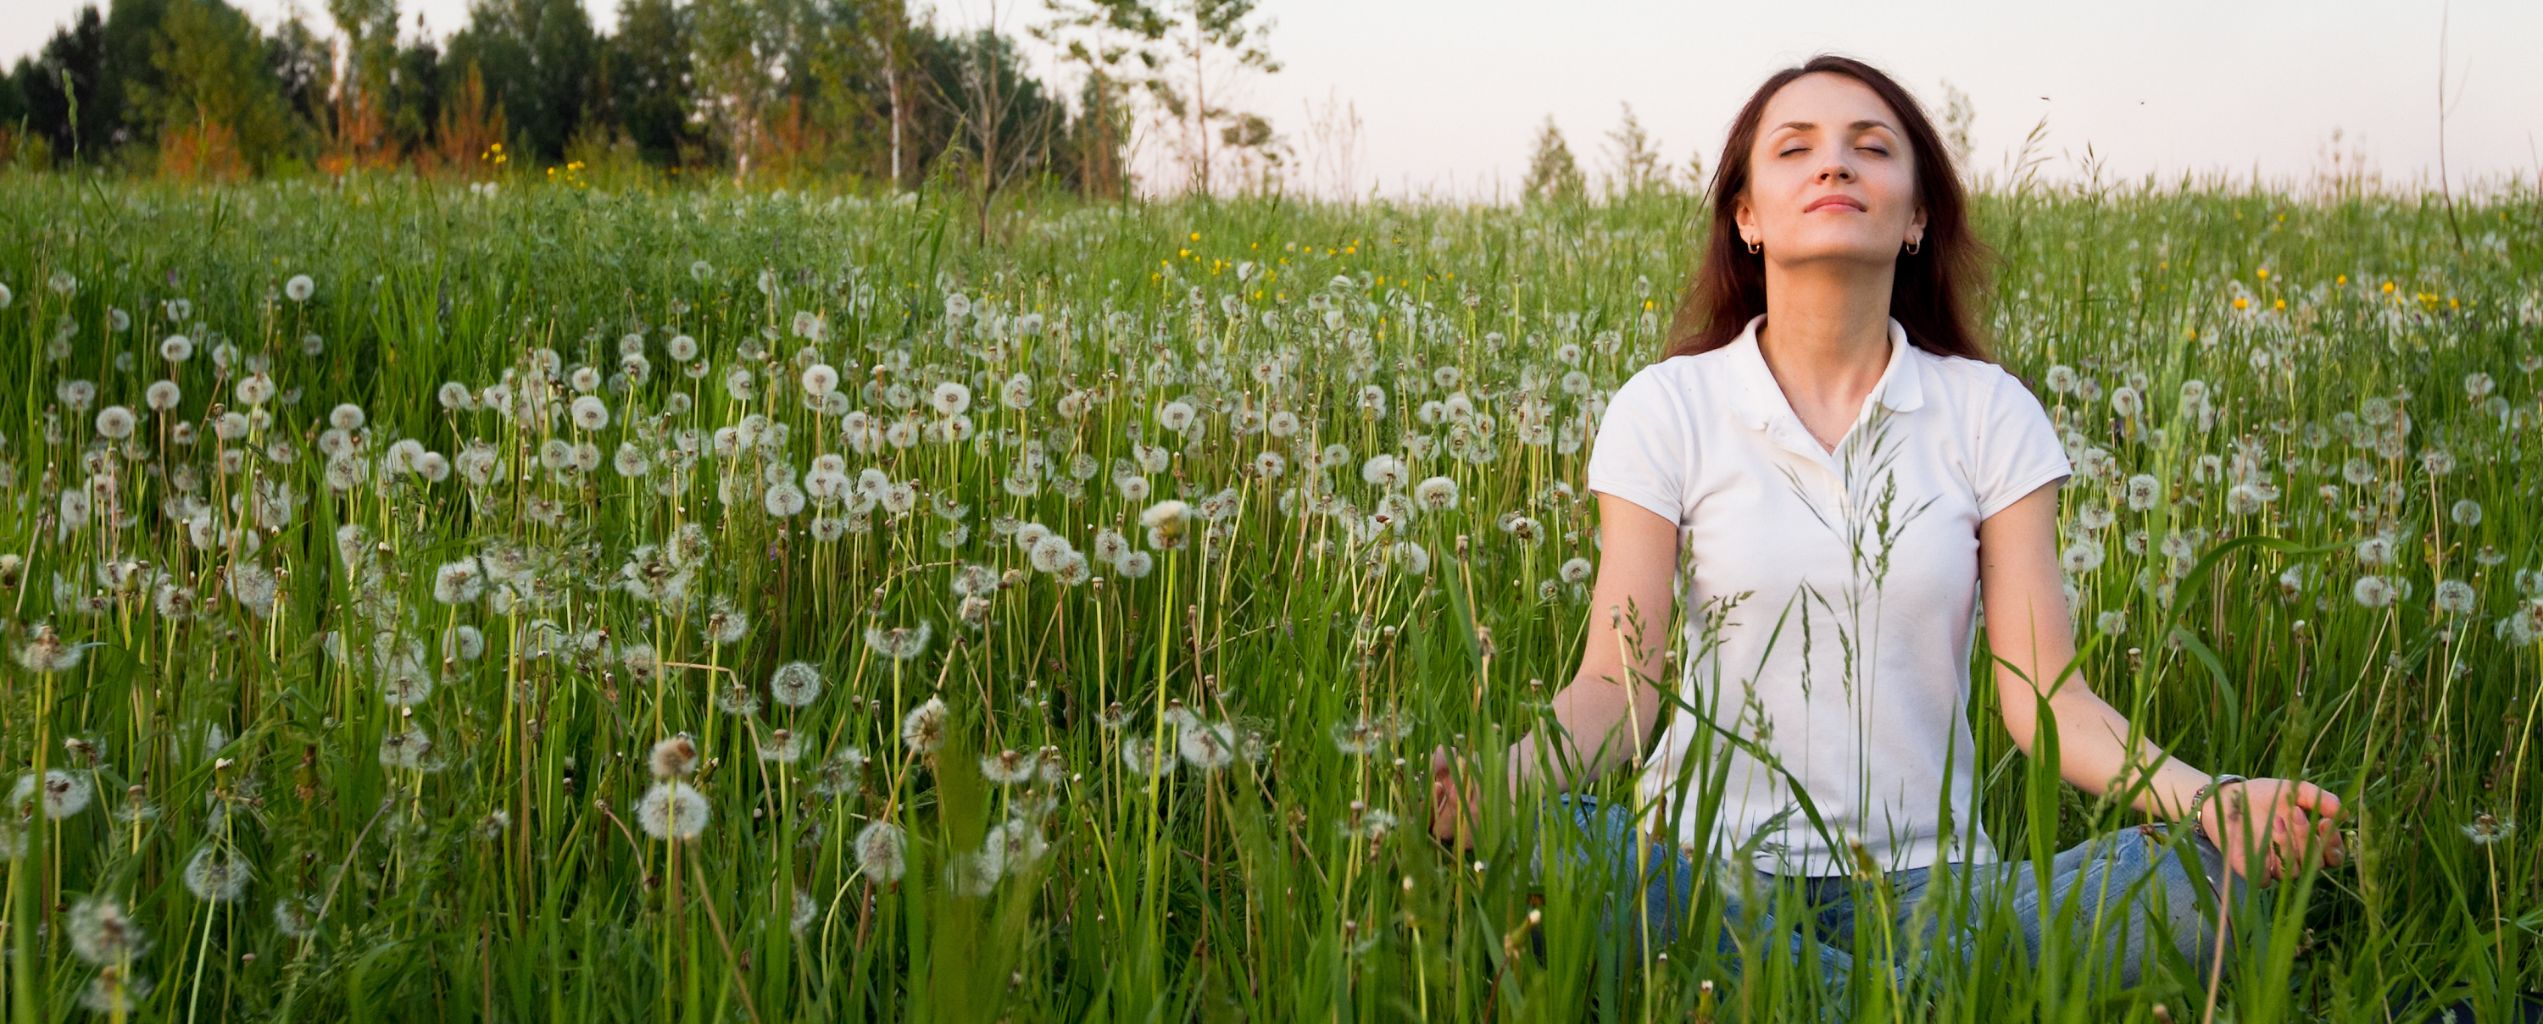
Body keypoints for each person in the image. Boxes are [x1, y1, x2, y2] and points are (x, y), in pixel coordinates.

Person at [1425, 54, 2350, 1008]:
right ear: (1745, 215)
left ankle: (1810, 997)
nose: (1834, 166)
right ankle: (1925, 1001)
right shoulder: (1668, 407)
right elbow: (1619, 687)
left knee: (2206, 880)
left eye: (1871, 149)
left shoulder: (1986, 412)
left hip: (1937, 889)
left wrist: (2211, 798)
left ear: (1915, 218)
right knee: (1549, 848)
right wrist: (1501, 783)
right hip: (1701, 874)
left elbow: (2049, 701)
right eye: (1795, 149)